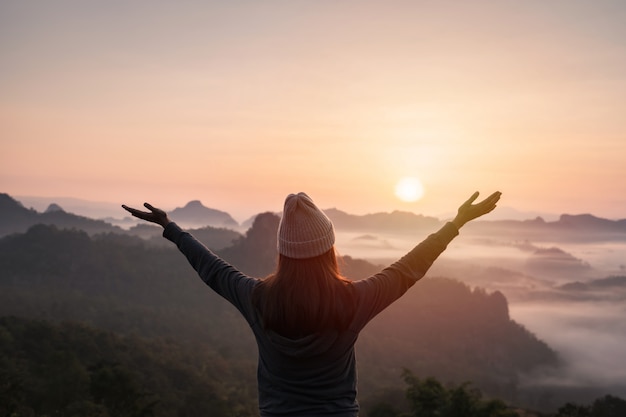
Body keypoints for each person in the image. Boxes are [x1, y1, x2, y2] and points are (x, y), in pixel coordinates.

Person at [122, 190, 501, 417]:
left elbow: (213, 269)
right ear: (329, 250)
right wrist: (457, 223)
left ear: (284, 254)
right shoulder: (352, 302)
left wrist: (170, 227)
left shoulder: (258, 299)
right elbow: (408, 268)